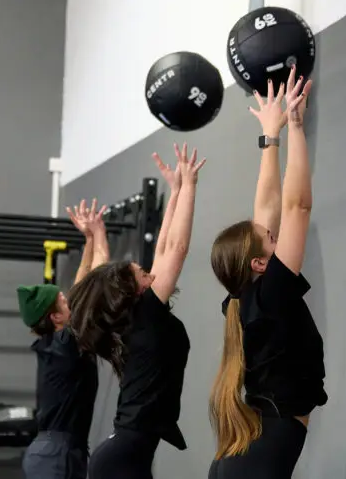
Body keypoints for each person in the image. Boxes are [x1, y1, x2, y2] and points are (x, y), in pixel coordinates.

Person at [208, 68, 324, 479]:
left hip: (246, 458)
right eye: (270, 238)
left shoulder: (245, 300)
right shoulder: (269, 295)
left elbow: (267, 207)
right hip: (254, 461)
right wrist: (297, 127)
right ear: (258, 263)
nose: (273, 232)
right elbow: (296, 207)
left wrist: (270, 137)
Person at [68, 142, 206, 479]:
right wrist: (190, 185)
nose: (149, 272)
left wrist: (175, 192)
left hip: (123, 456)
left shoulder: (139, 318)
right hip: (122, 460)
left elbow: (163, 247)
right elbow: (176, 248)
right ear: (135, 291)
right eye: (141, 272)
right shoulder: (145, 316)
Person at [18, 199, 109, 479]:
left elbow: (82, 285)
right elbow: (97, 283)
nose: (70, 300)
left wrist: (89, 239)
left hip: (59, 451)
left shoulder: (58, 341)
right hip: (55, 454)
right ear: (56, 317)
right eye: (64, 301)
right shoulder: (66, 344)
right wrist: (100, 232)